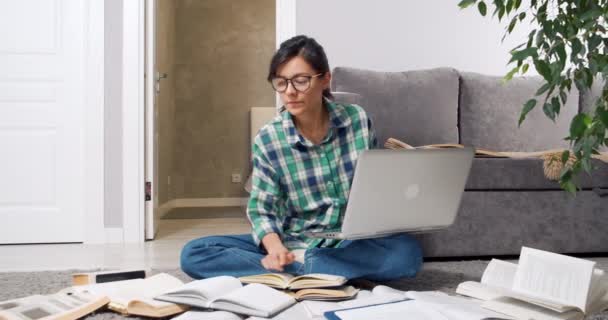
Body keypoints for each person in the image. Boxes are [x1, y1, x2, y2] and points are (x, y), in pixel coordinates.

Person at [181, 35, 422, 281]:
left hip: (349, 242)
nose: (290, 92)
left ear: (325, 79)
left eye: (301, 81)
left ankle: (305, 269)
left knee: (407, 254)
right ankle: (323, 269)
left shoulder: (357, 120)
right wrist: (275, 249)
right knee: (195, 253)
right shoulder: (269, 138)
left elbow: (374, 186)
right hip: (293, 240)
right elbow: (262, 210)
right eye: (281, 82)